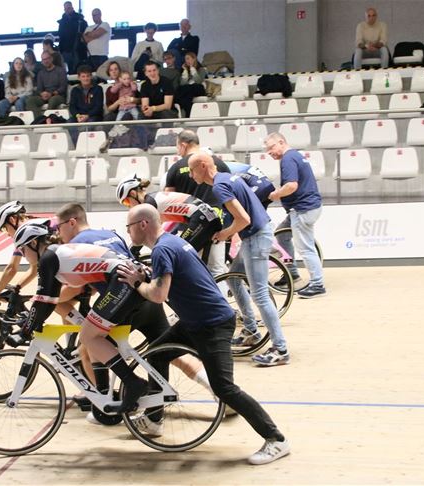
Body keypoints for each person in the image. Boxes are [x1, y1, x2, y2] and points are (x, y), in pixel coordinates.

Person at [117, 204, 291, 465]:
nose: (128, 232)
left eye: (129, 227)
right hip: (194, 322)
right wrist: (148, 275)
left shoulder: (163, 249)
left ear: (143, 225)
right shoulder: (172, 242)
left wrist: (137, 282)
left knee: (225, 388)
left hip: (212, 324)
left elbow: (158, 295)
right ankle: (154, 418)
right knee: (157, 356)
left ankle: (276, 439)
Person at [53, 202, 213, 423]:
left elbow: (77, 288)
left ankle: (107, 408)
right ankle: (218, 394)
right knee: (170, 353)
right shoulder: (110, 234)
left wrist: (50, 298)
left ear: (72, 222)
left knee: (88, 347)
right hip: (147, 296)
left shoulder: (75, 246)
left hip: (124, 304)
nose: (58, 233)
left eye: (59, 227)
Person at [11, 220, 148, 415]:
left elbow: (42, 301)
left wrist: (25, 331)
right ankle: (104, 396)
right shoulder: (56, 254)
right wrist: (31, 323)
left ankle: (133, 383)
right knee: (93, 338)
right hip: (127, 278)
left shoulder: (48, 258)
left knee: (88, 336)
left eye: (22, 249)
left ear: (33, 243)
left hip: (123, 282)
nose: (23, 255)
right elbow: (50, 300)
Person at [188, 151, 291, 367]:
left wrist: (224, 234)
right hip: (256, 235)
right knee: (234, 279)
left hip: (255, 238)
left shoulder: (219, 186)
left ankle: (280, 348)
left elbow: (243, 219)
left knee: (260, 294)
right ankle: (251, 331)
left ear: (203, 166)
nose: (190, 175)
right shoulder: (228, 178)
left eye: (192, 169)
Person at [264, 133, 326, 299]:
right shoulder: (295, 156)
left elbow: (291, 185)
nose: (269, 152)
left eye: (271, 148)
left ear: (281, 142)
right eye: (267, 150)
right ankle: (291, 273)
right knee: (282, 236)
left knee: (305, 248)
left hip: (302, 209)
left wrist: (276, 194)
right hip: (304, 208)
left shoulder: (288, 159)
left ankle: (317, 285)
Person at [164, 131, 232, 277]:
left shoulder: (176, 167)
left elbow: (168, 200)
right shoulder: (218, 163)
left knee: (188, 270)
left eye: (177, 147)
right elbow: (230, 193)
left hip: (188, 227)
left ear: (183, 145)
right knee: (217, 270)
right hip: (216, 225)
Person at [116, 174, 223, 262]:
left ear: (133, 193)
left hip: (202, 219)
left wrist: (132, 251)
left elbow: (144, 232)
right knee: (192, 260)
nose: (128, 206)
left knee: (177, 252)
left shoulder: (149, 204)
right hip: (205, 218)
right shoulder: (152, 199)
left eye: (126, 202)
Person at [0, 201, 40, 306]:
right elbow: (35, 268)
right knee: (57, 305)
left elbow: (12, 268)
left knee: (46, 301)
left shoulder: (27, 232)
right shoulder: (30, 230)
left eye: (5, 228)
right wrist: (16, 288)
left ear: (12, 220)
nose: (7, 234)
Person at [25, 52, 67, 117]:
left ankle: (49, 120)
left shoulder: (60, 71)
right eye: (43, 59)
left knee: (53, 100)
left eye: (47, 58)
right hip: (44, 96)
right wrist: (42, 94)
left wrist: (51, 94)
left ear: (51, 59)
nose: (45, 61)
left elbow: (63, 87)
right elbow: (39, 89)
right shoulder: (41, 73)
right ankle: (39, 120)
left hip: (58, 96)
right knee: (30, 101)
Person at [68, 65, 104, 141]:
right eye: (83, 76)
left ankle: (84, 143)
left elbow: (98, 107)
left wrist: (87, 116)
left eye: (88, 76)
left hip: (94, 116)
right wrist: (77, 116)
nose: (86, 78)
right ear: (79, 78)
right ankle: (77, 144)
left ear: (91, 76)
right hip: (79, 116)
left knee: (89, 124)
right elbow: (72, 106)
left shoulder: (98, 89)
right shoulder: (75, 90)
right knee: (69, 123)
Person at [176, 52, 208, 118]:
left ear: (194, 59)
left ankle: (177, 100)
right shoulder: (185, 70)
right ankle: (189, 114)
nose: (186, 61)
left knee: (186, 89)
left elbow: (198, 81)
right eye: (185, 59)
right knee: (185, 95)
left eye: (188, 58)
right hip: (189, 90)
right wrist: (185, 71)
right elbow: (182, 83)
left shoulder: (202, 69)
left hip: (199, 88)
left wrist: (192, 69)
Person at [57, 1, 86, 73]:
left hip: (78, 50)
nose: (67, 10)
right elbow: (60, 35)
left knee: (78, 69)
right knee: (67, 71)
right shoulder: (62, 22)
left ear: (72, 8)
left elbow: (84, 35)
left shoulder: (80, 21)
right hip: (65, 51)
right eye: (65, 9)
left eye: (69, 8)